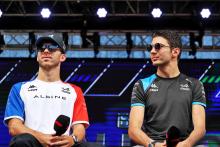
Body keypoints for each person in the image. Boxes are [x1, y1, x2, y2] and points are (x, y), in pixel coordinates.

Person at [4, 34, 90, 147]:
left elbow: (79, 128)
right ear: (37, 57)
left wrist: (72, 139)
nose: (45, 50)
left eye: (52, 47)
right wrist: (40, 137)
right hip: (34, 143)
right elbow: (14, 126)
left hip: (63, 144)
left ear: (62, 57)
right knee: (21, 141)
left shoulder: (74, 90)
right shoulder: (20, 88)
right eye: (41, 48)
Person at [128, 31, 206, 147]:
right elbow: (133, 130)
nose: (152, 51)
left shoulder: (195, 85)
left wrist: (185, 144)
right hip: (153, 143)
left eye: (158, 46)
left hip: (184, 143)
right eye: (151, 47)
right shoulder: (141, 84)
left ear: (175, 51)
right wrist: (154, 144)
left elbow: (200, 129)